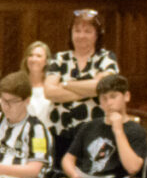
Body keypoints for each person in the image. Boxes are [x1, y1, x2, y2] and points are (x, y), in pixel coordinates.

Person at [57, 75, 147, 178]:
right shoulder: (89, 126)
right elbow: (68, 158)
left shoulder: (135, 130)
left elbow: (133, 167)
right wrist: (74, 175)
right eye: (104, 98)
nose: (109, 102)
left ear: (126, 96)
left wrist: (118, 130)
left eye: (113, 97)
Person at [40, 10, 120, 156]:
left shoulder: (106, 58)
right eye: (77, 31)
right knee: (60, 170)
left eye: (88, 31)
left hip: (95, 134)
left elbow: (102, 87)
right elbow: (49, 92)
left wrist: (65, 84)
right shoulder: (59, 58)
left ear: (97, 35)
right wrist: (89, 90)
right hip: (61, 133)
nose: (81, 35)